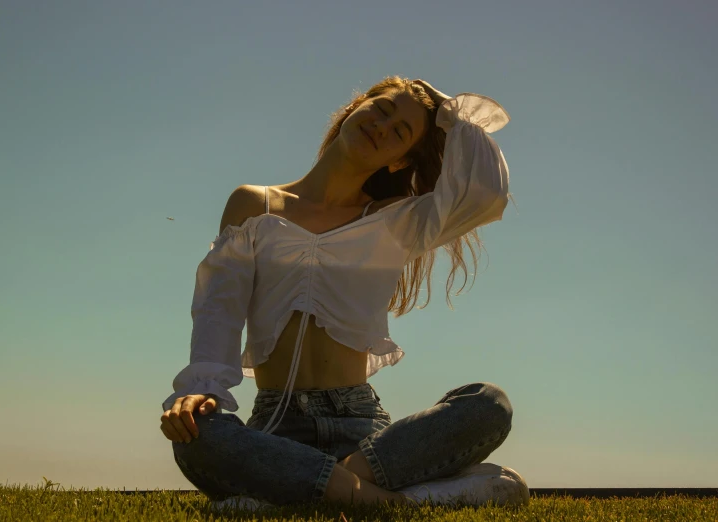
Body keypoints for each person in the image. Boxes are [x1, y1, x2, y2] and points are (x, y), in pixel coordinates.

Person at [159, 76, 529, 511]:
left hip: (365, 435)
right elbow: (218, 310)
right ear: (357, 106)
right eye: (383, 109)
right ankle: (396, 504)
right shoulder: (252, 205)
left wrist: (448, 110)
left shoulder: (394, 221)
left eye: (400, 133)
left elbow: (486, 192)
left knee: (488, 404)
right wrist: (204, 390)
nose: (382, 127)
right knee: (198, 437)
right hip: (277, 428)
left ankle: (300, 496)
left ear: (398, 161)